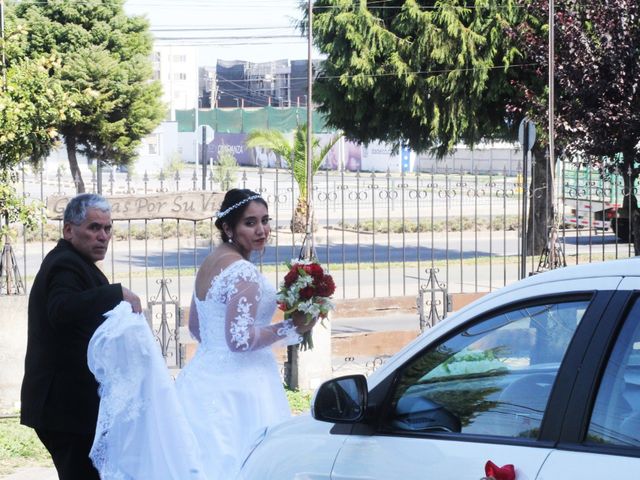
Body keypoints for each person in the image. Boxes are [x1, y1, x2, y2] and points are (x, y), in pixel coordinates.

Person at [174, 188, 315, 479]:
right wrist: (293, 326)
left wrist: (218, 353)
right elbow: (239, 340)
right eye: (250, 223)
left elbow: (196, 328)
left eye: (265, 220)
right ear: (228, 227)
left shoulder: (210, 262)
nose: (262, 230)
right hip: (242, 390)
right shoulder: (243, 272)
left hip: (203, 377)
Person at [20, 193, 142, 480]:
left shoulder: (76, 262)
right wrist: (117, 293)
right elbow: (61, 309)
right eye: (94, 228)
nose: (103, 236)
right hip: (64, 408)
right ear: (68, 230)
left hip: (70, 407)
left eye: (107, 228)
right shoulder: (65, 264)